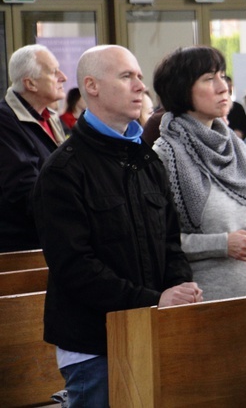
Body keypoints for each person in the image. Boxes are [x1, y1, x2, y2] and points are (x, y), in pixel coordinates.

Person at [33, 45, 202, 407]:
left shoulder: (145, 160)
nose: (141, 86)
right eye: (127, 76)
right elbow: (75, 266)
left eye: (140, 77)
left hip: (152, 331)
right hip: (95, 345)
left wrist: (179, 287)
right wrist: (153, 301)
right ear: (91, 86)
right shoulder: (64, 170)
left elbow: (171, 241)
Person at [153, 46, 246, 299]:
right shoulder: (165, 154)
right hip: (200, 299)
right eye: (209, 79)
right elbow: (158, 240)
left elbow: (235, 221)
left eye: (223, 76)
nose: (223, 87)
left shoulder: (235, 147)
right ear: (181, 89)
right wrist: (222, 244)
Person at [0, 44, 66, 252]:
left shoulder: (51, 118)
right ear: (31, 84)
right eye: (54, 72)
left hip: (49, 236)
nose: (62, 77)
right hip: (22, 245)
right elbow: (24, 189)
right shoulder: (5, 121)